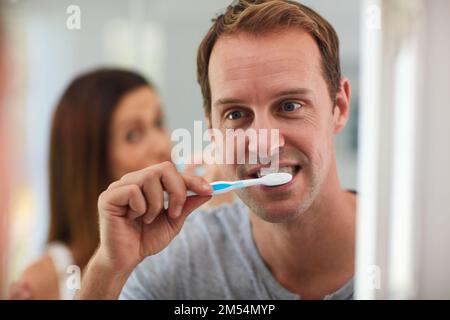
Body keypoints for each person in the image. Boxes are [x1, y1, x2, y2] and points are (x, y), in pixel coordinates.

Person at [76, 0, 356, 300]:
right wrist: (108, 270)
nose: (261, 142)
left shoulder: (404, 251)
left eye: (290, 106)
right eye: (236, 114)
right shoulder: (178, 262)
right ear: (212, 130)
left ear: (338, 108)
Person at [9, 69, 172, 299]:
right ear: (88, 159)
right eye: (133, 135)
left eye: (158, 122)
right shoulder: (45, 280)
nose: (162, 145)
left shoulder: (187, 236)